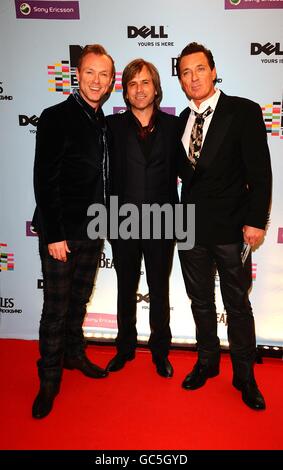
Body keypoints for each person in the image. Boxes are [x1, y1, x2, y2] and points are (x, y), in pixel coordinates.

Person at [176, 42, 272, 410]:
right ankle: (207, 362)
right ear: (181, 81)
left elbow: (260, 172)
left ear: (213, 71)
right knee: (200, 302)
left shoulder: (243, 111)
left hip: (233, 228)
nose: (193, 77)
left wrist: (255, 221)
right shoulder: (180, 122)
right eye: (185, 72)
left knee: (237, 305)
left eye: (199, 69)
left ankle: (245, 377)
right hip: (189, 228)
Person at [32, 44, 115, 419]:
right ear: (77, 75)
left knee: (79, 302)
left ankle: (73, 355)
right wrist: (53, 235)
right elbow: (44, 180)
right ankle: (48, 381)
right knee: (56, 308)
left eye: (105, 74)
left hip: (94, 228)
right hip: (62, 232)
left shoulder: (104, 122)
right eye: (91, 73)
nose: (98, 81)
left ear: (111, 80)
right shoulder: (56, 117)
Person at [106, 59, 182, 377]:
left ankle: (160, 351)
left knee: (159, 288)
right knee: (125, 287)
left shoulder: (175, 126)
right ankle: (125, 348)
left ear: (156, 88)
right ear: (125, 90)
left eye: (145, 82)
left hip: (163, 220)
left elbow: (191, 172)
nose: (139, 89)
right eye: (133, 83)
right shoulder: (110, 127)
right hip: (121, 220)